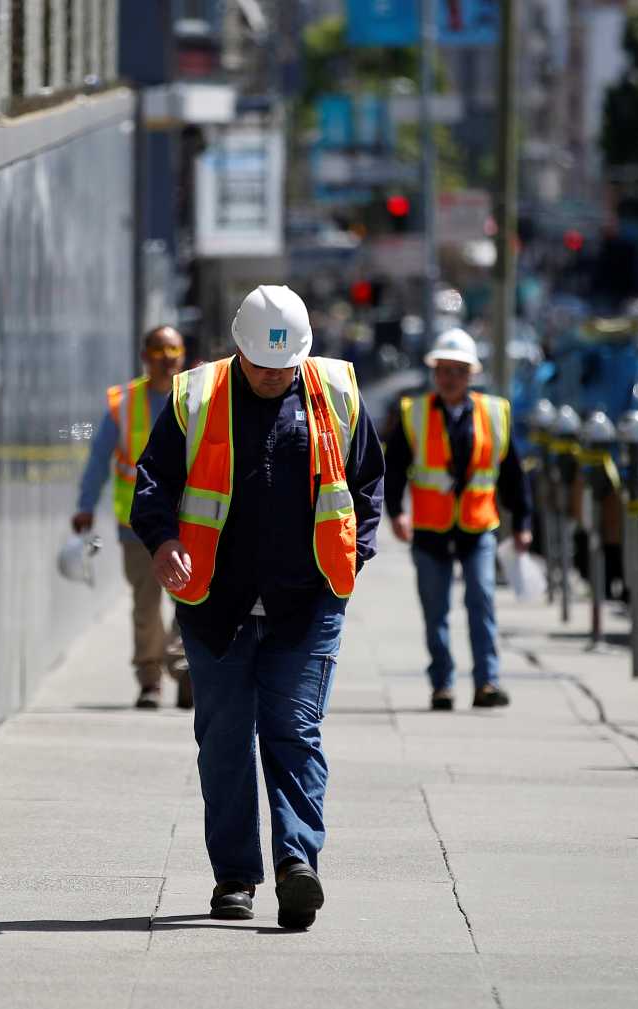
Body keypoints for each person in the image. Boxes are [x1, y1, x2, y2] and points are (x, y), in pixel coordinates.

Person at [131, 285, 384, 929]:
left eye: (283, 366)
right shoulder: (196, 397)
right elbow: (153, 481)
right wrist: (162, 543)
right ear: (238, 349)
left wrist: (355, 555)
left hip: (308, 600)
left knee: (294, 733)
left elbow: (367, 481)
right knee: (223, 743)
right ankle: (235, 879)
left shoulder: (336, 393)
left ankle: (299, 864)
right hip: (218, 603)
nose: (272, 376)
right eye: (260, 364)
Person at [385, 328, 531, 711]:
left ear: (471, 375)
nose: (449, 378)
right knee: (436, 613)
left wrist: (523, 523)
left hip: (477, 526)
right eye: (443, 370)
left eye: (458, 370)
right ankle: (442, 685)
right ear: (435, 374)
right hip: (430, 529)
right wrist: (397, 513)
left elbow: (513, 472)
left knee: (481, 603)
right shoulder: (413, 413)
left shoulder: (495, 413)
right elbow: (394, 468)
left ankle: (487, 683)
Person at [73, 325, 191, 710]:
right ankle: (150, 679)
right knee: (146, 605)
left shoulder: (196, 398)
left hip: (189, 521)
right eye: (159, 354)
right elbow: (98, 458)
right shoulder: (124, 403)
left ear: (182, 356)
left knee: (189, 600)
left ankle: (186, 669)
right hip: (136, 526)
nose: (167, 362)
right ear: (146, 357)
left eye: (173, 354)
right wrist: (85, 505)